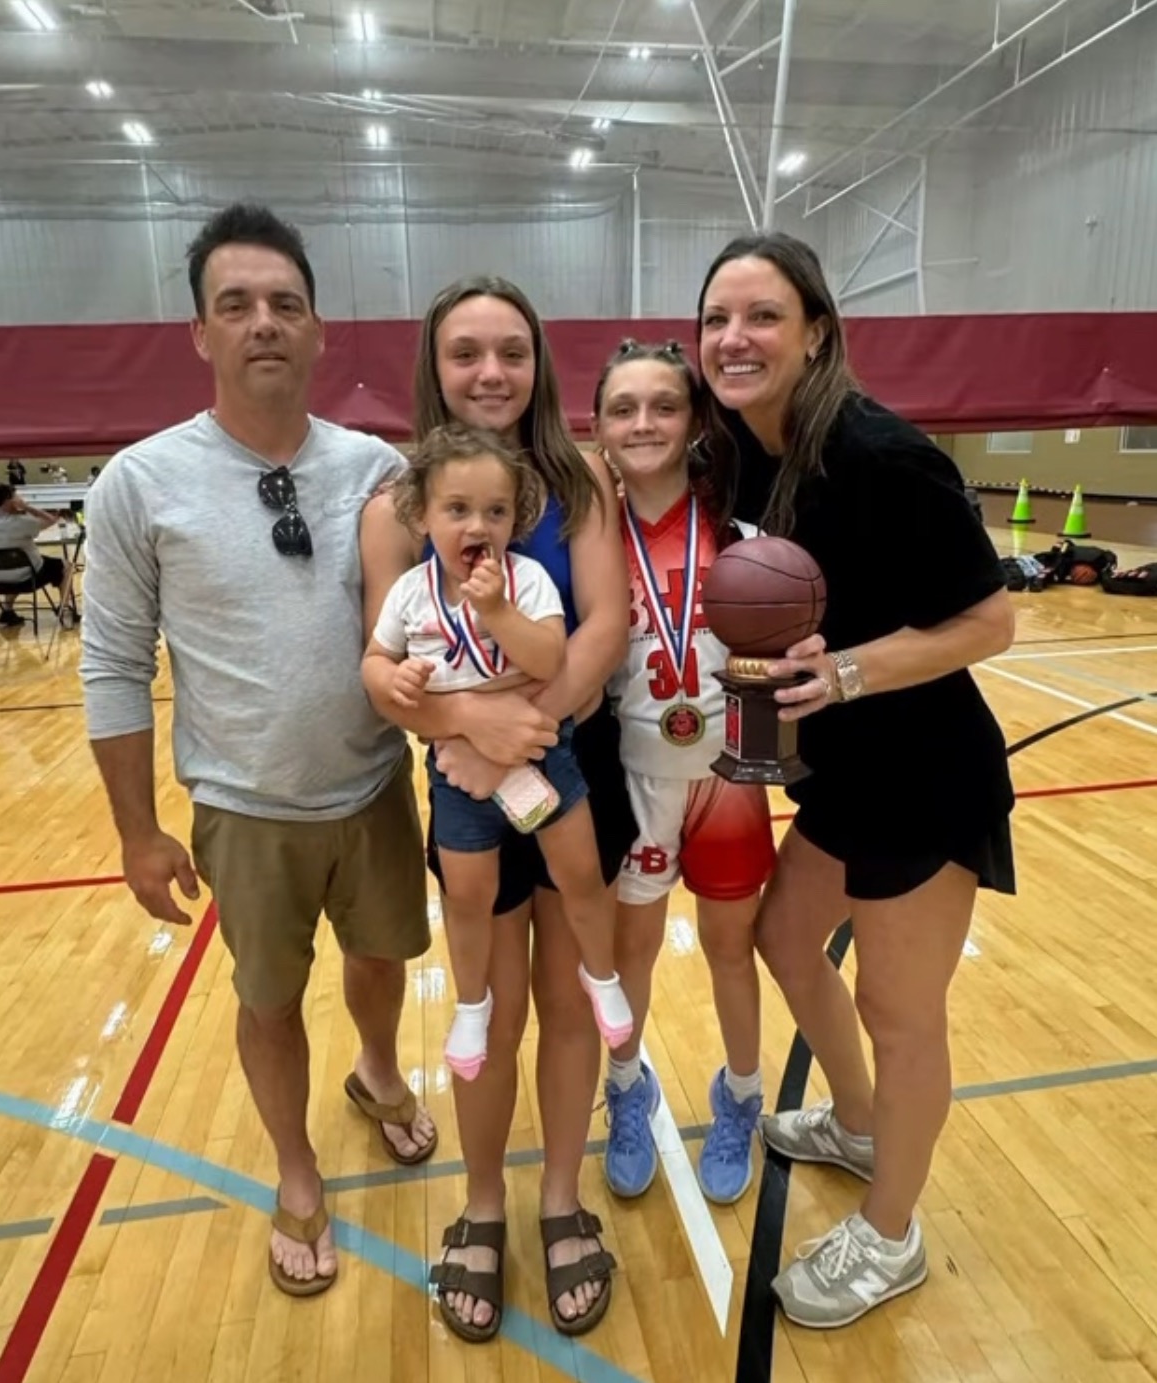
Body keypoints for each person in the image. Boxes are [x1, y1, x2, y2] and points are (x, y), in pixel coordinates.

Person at [79, 202, 437, 1301]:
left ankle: (378, 1072)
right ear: (201, 333)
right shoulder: (139, 482)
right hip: (243, 809)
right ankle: (295, 1168)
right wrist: (138, 832)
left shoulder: (379, 470)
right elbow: (113, 663)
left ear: (319, 328)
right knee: (270, 999)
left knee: (382, 962)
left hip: (374, 786)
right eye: (234, 304)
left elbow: (426, 621)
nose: (263, 322)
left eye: (285, 302)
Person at [694, 232, 1016, 1328]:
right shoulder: (748, 450)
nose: (735, 338)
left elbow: (991, 623)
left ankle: (892, 1235)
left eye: (763, 315)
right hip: (845, 773)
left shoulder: (883, 454)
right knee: (786, 940)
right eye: (718, 319)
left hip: (926, 775)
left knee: (899, 1007)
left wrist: (844, 672)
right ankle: (862, 1124)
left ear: (818, 332)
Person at [361, 276, 634, 1342]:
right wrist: (467, 733)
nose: (490, 372)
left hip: (564, 768)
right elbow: (385, 674)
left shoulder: (583, 478)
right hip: (465, 778)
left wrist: (523, 731)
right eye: (465, 351)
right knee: (492, 1002)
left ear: (541, 364)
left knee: (567, 1001)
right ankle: (483, 1203)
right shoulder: (397, 503)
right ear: (432, 364)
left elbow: (603, 626)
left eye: (512, 351)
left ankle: (560, 1197)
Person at [364, 423, 632, 1079]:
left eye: (495, 510)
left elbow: (549, 658)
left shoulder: (527, 579)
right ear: (422, 517)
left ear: (516, 520)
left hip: (542, 756)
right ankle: (471, 1003)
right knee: (467, 896)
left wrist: (498, 613)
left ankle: (601, 975)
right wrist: (393, 679)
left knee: (580, 874)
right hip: (458, 772)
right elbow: (374, 660)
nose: (476, 525)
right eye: (457, 509)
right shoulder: (410, 592)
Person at [592, 339, 777, 1206]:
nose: (644, 423)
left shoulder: (741, 530)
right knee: (630, 951)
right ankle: (626, 1086)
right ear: (598, 425)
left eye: (664, 405)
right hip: (634, 779)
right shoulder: (589, 535)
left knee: (729, 947)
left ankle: (741, 1094)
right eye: (623, 408)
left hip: (727, 777)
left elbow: (772, 653)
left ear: (696, 418)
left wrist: (760, 748)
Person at [0, 483, 77, 627]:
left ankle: (7, 611)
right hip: (27, 577)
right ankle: (64, 609)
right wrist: (27, 508)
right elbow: (50, 520)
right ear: (8, 501)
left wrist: (16, 510)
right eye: (16, 496)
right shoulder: (20, 522)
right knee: (67, 566)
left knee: (11, 564)